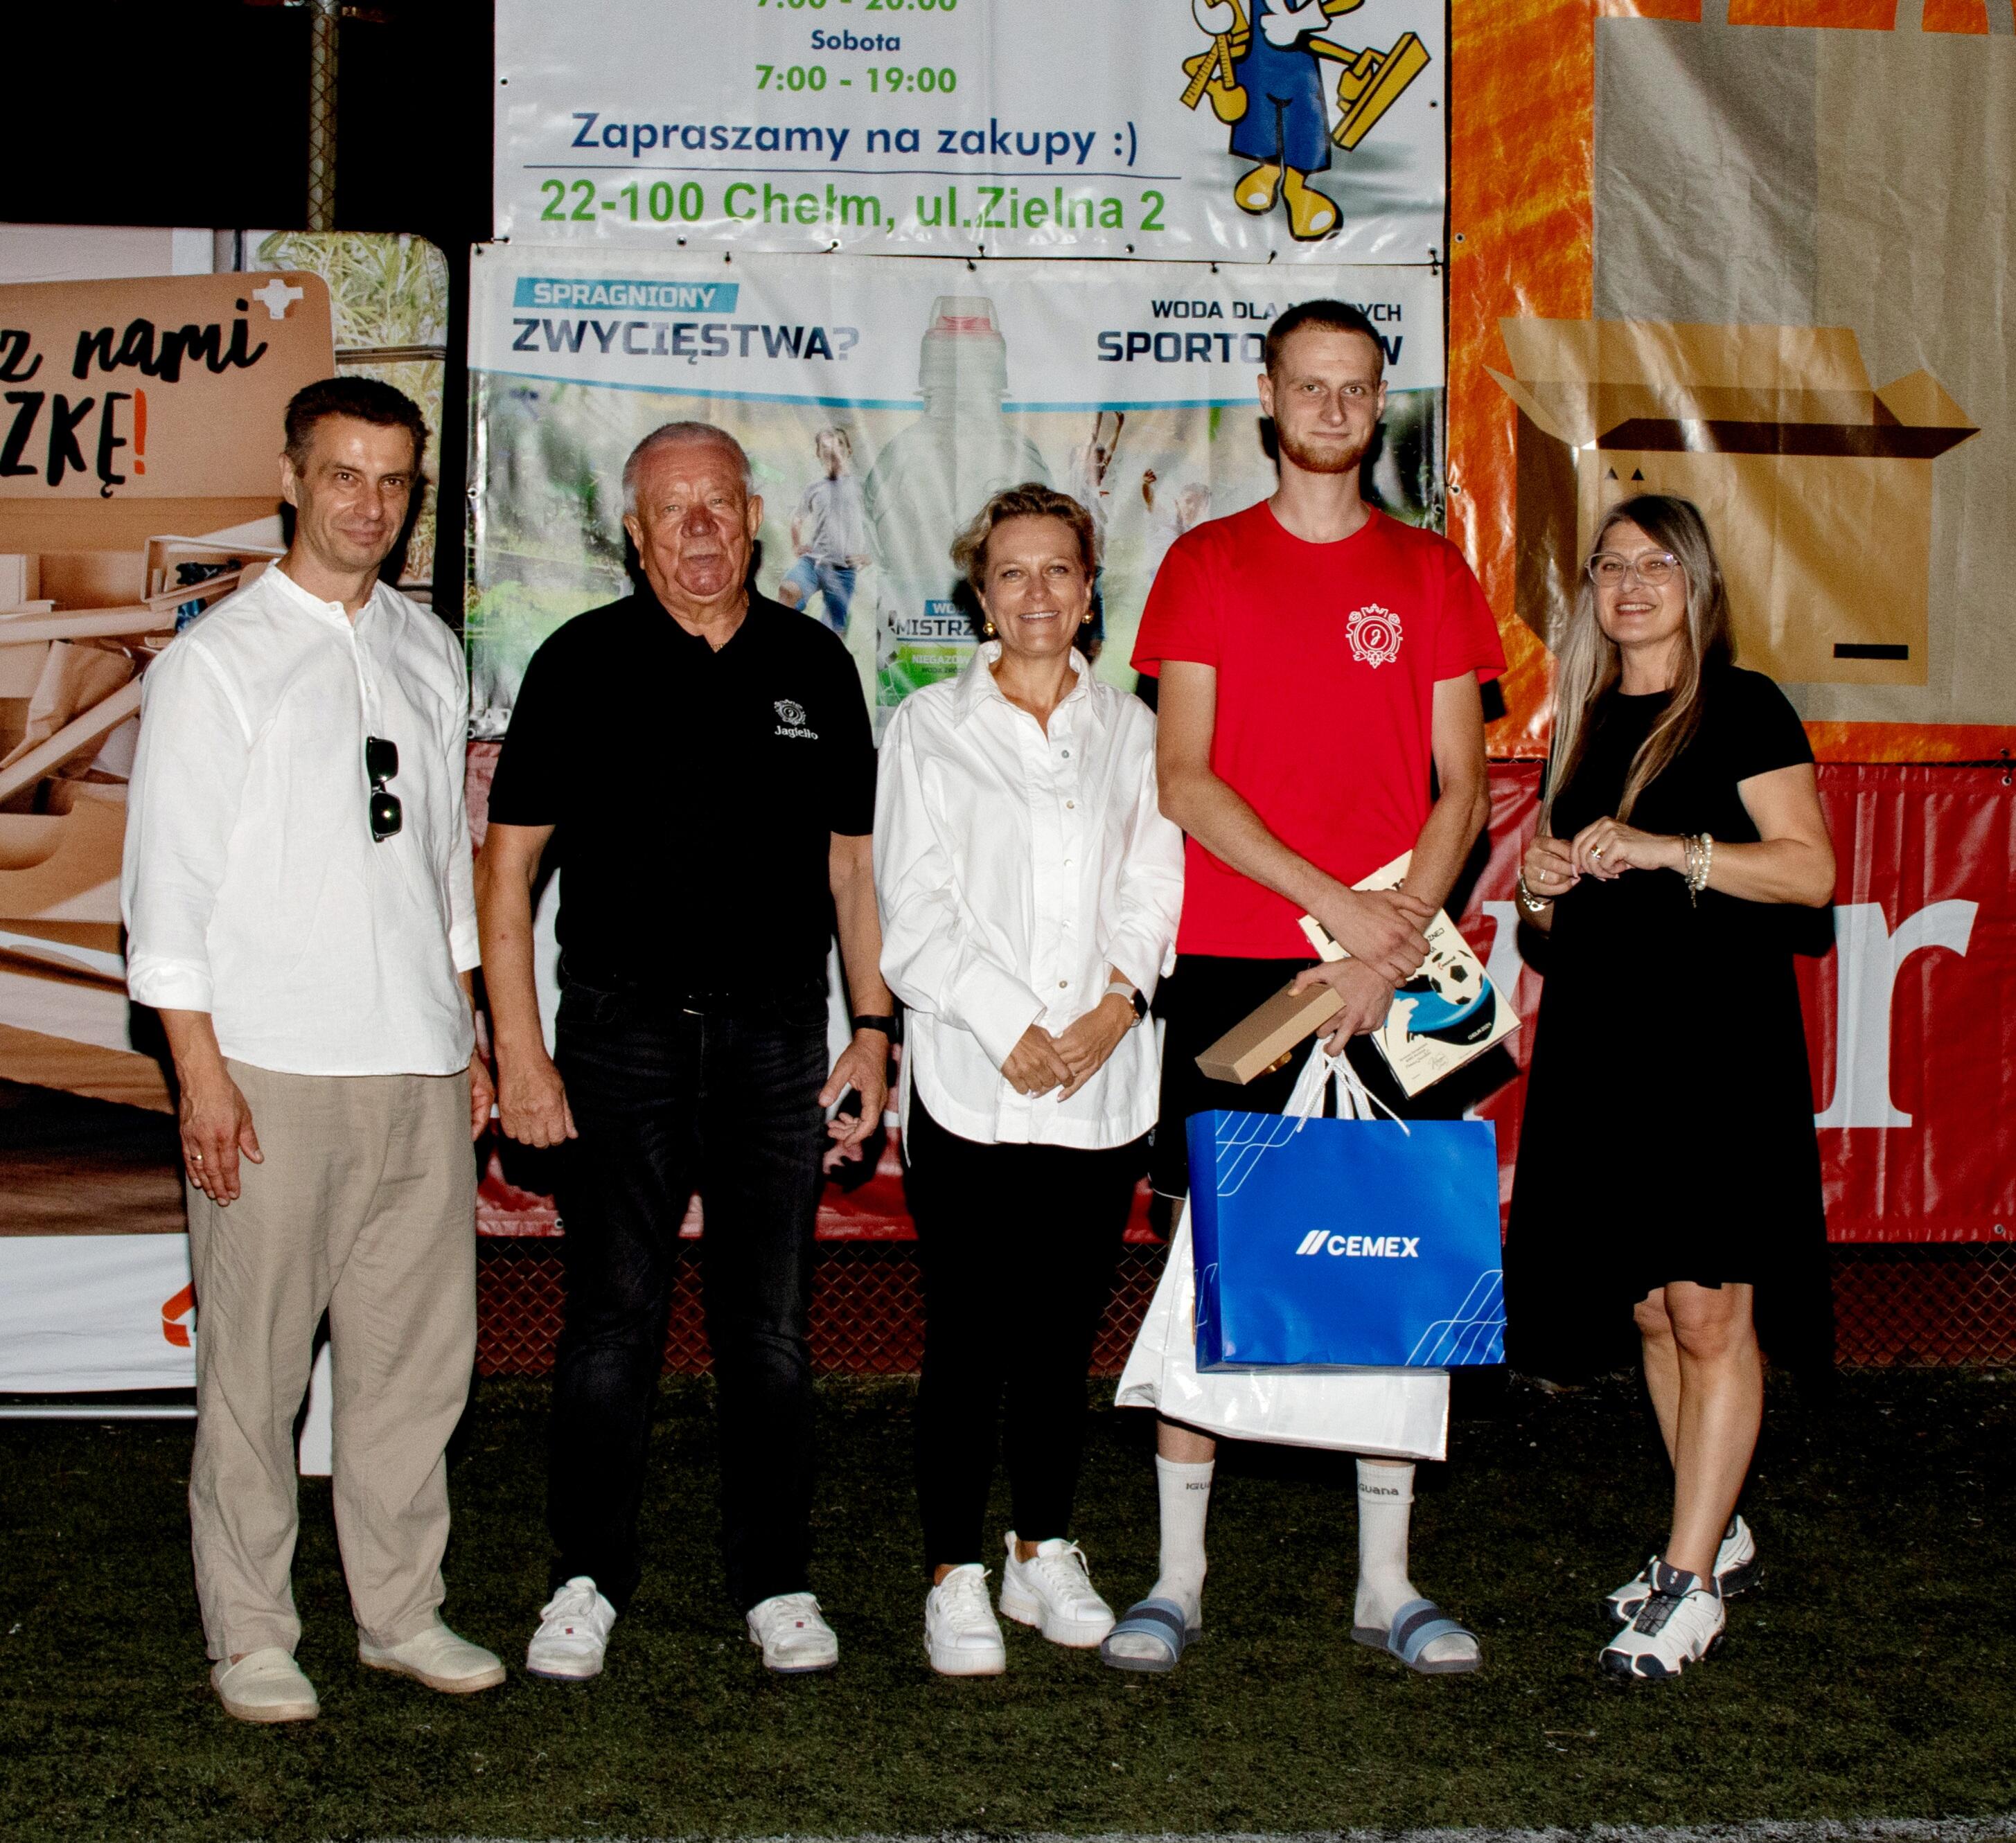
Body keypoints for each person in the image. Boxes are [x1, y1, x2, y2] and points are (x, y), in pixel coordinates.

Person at [1103, 299, 1505, 1676]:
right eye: (1310, 384)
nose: (1334, 407)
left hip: (1399, 962)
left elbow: (1466, 790)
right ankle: (1177, 1577)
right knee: (1207, 1265)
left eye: (1357, 387)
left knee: (1394, 1256)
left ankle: (1386, 1583)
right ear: (1268, 398)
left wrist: (1393, 940)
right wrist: (1337, 909)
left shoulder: (1432, 571)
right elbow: (1185, 779)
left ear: (1378, 403)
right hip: (1240, 959)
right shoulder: (1204, 563)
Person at [475, 421, 893, 1680]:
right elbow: (506, 875)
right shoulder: (579, 662)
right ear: (634, 532)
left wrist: (875, 1030)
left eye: (720, 502)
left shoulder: (815, 663)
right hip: (620, 1037)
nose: (700, 527)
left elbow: (853, 870)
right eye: (673, 508)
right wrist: (521, 1052)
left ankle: (776, 1579)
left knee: (768, 1329)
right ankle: (585, 1577)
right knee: (613, 1321)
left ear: (757, 519)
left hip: (778, 1037)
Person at [123, 377, 502, 1724]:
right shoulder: (216, 662)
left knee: (413, 1366)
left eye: (394, 480)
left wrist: (468, 1032)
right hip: (271, 1066)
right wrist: (201, 1074)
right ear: (292, 478)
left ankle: (400, 1612)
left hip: (415, 1062)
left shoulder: (427, 649)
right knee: (259, 1373)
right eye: (345, 474)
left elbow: (442, 864)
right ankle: (252, 1634)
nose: (370, 504)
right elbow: (165, 895)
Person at [1503, 494, 1837, 1682]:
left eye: (1657, 564)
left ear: (1697, 583)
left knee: (1709, 1312)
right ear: (1590, 589)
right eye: (1611, 565)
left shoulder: (1742, 706)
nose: (1632, 583)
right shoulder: (1586, 719)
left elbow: (1808, 874)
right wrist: (1540, 884)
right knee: (1650, 1310)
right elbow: (1554, 928)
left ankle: (1688, 1580)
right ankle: (1715, 1528)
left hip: (1715, 1053)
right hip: (1608, 1052)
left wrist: (1666, 849)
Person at [875, 484, 1184, 1677]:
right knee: (969, 1334)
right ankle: (951, 1569)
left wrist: (1113, 1006)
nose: (1037, 592)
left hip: (1101, 1083)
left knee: (1061, 1335)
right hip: (972, 1078)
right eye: (1012, 572)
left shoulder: (1138, 731)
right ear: (980, 595)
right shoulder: (925, 728)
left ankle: (1041, 1545)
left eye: (1059, 570)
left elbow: (1154, 883)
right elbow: (914, 910)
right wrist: (1011, 1026)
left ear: (1089, 590)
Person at [777, 425, 870, 636]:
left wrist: (869, 555)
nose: (833, 449)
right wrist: (796, 545)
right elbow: (798, 517)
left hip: (843, 569)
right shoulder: (813, 488)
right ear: (818, 453)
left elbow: (880, 522)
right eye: (826, 445)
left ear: (849, 450)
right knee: (787, 591)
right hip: (813, 562)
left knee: (833, 634)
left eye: (839, 443)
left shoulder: (862, 487)